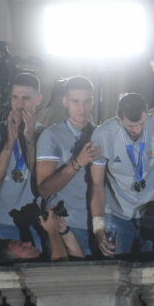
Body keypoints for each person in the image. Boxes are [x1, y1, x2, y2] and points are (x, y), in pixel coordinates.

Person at [90, 93, 154, 255]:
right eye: (130, 126)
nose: (136, 130)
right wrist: (98, 228)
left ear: (147, 114)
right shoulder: (102, 134)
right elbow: (97, 185)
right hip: (117, 214)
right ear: (118, 118)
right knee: (115, 272)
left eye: (141, 124)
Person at [35, 76, 101, 255]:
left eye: (87, 101)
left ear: (93, 101)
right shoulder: (51, 135)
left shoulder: (101, 134)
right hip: (67, 225)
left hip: (100, 225)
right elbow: (44, 190)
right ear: (65, 101)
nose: (82, 108)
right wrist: (77, 163)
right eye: (75, 101)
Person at [0, 72, 45, 245]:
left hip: (34, 223)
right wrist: (9, 142)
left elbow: (40, 179)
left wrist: (29, 138)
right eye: (15, 97)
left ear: (38, 99)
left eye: (26, 98)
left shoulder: (45, 134)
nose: (19, 103)